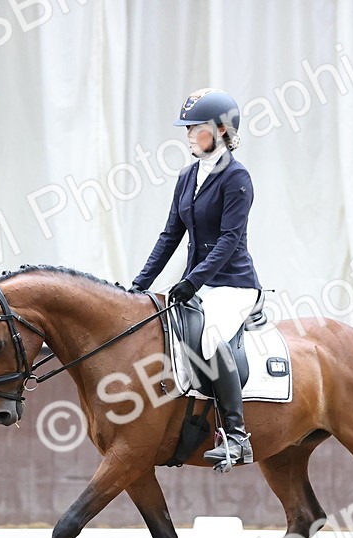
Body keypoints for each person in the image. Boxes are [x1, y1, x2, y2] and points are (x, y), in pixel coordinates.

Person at [130, 88, 260, 468]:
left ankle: (237, 438)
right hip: (202, 283)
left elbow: (229, 240)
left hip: (234, 285)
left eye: (195, 128)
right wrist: (139, 283)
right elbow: (171, 234)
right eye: (186, 128)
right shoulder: (188, 176)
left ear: (221, 131)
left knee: (211, 336)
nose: (188, 134)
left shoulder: (237, 178)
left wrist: (193, 281)